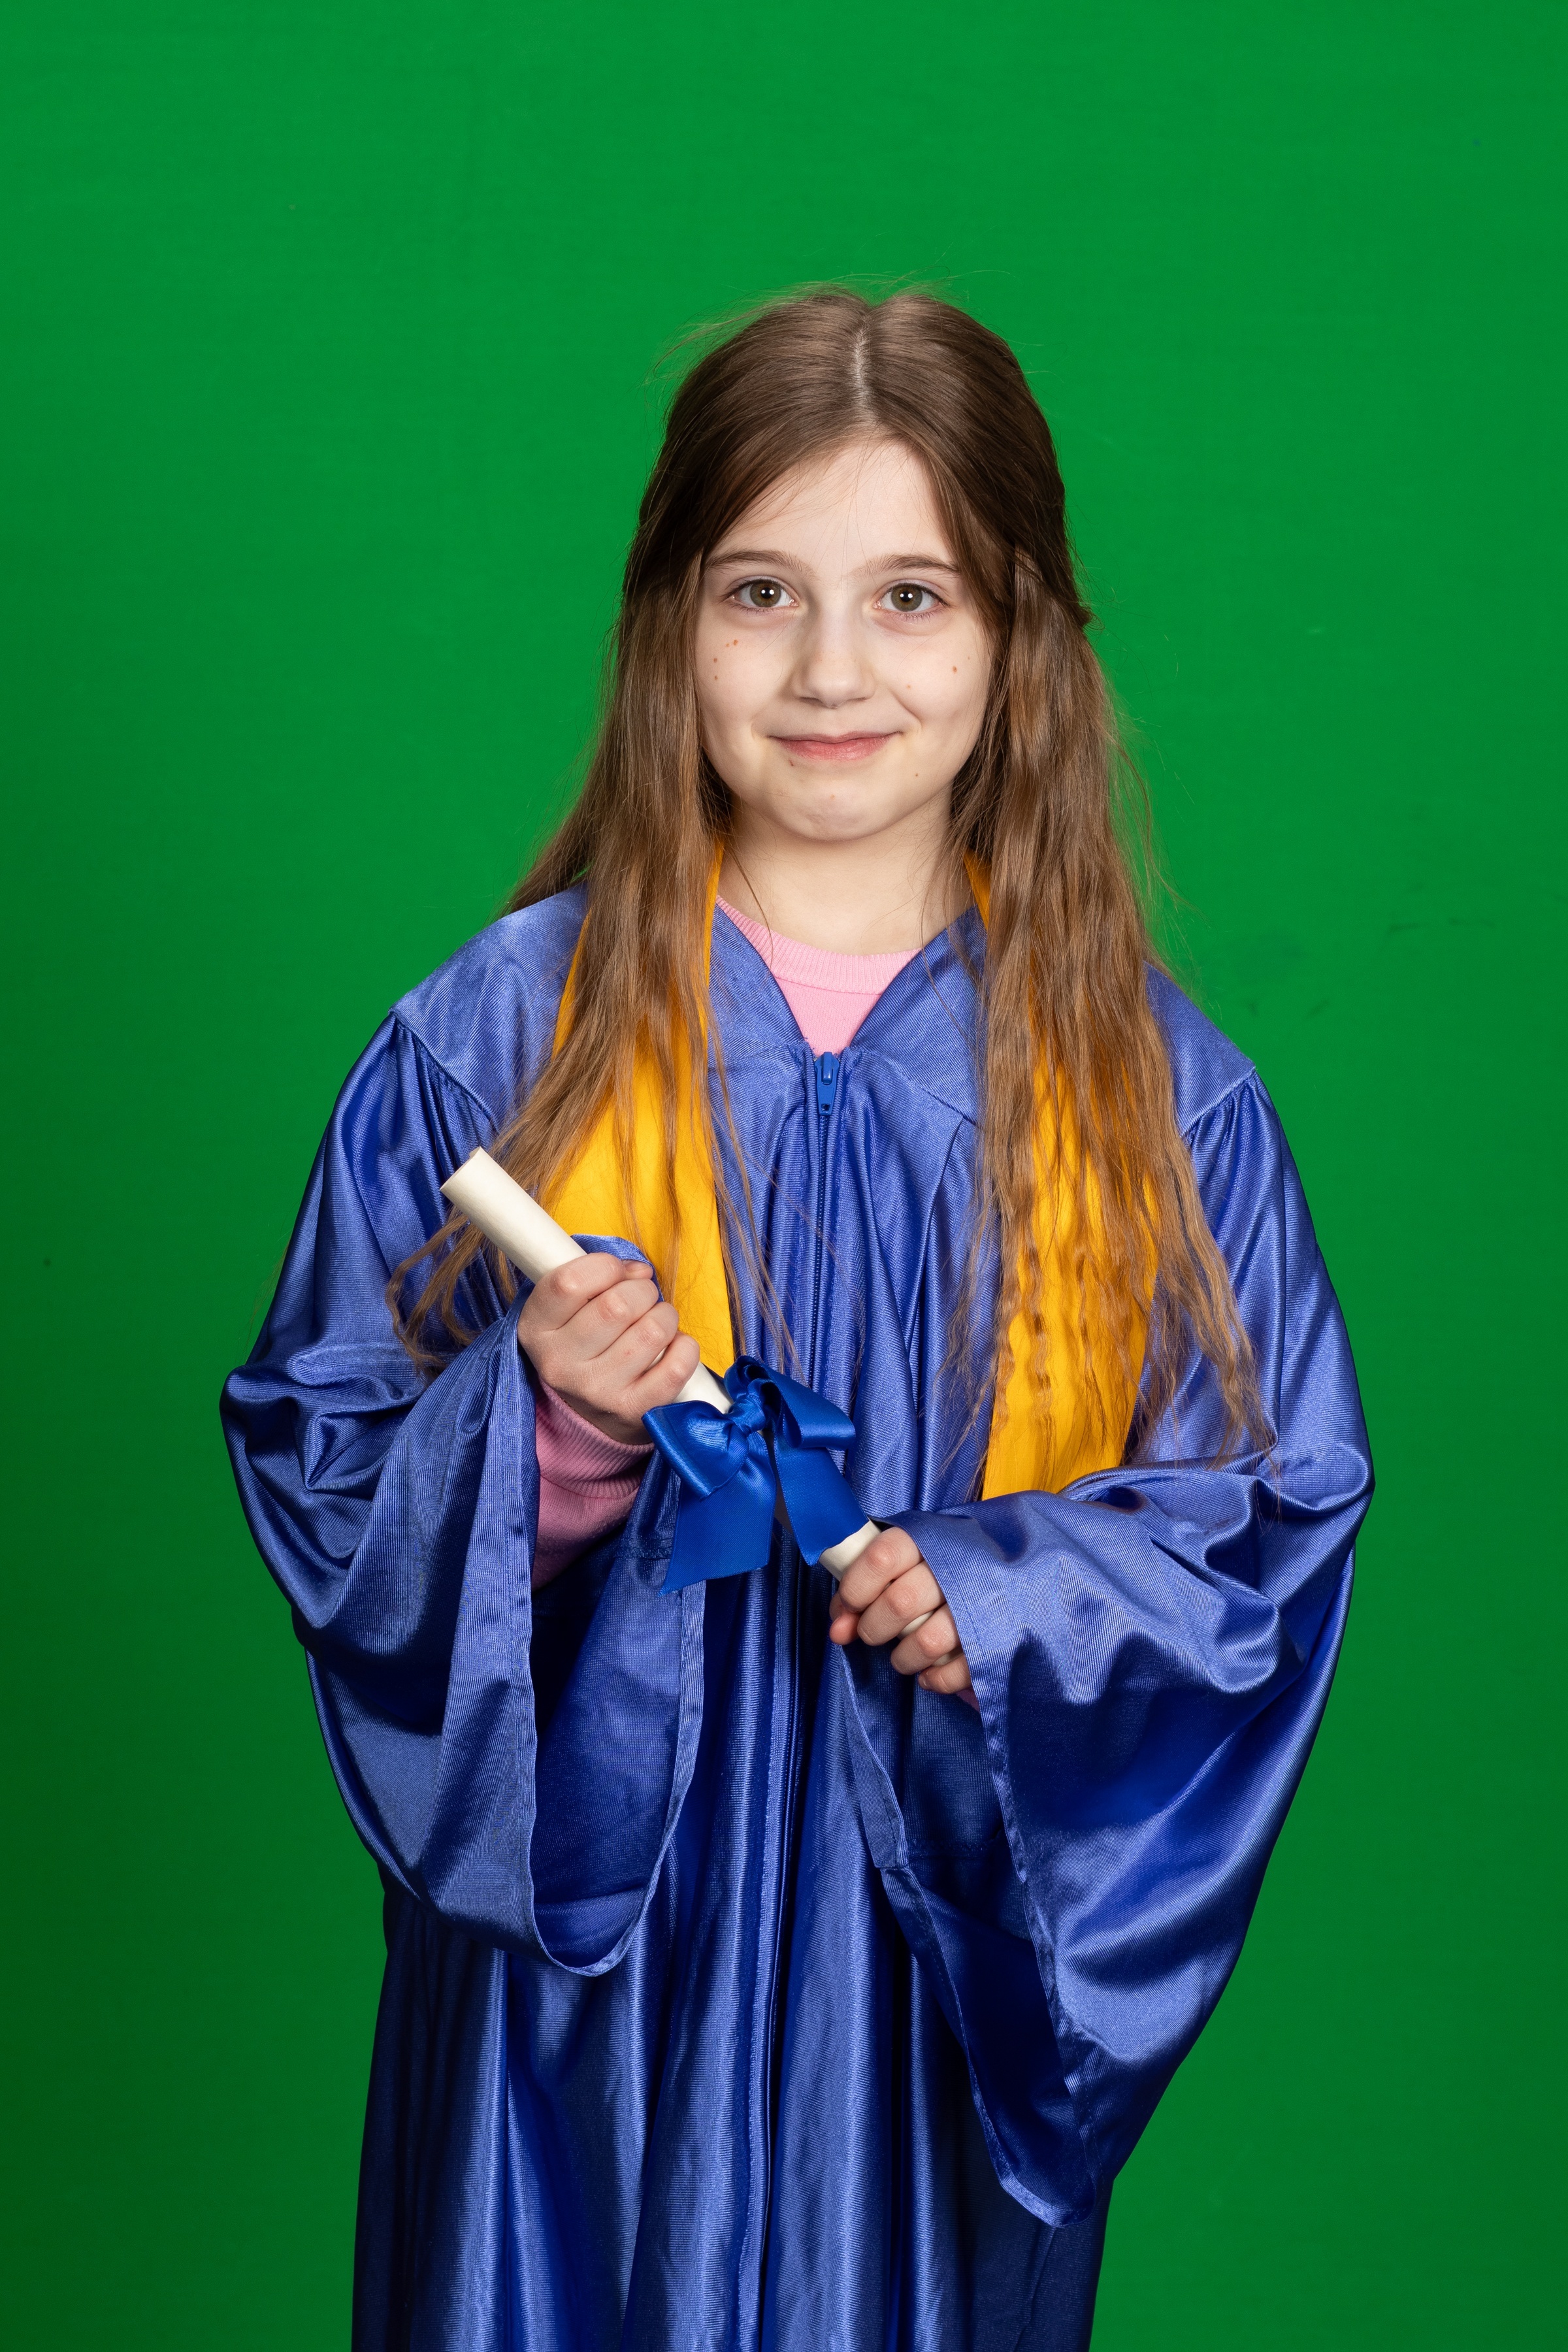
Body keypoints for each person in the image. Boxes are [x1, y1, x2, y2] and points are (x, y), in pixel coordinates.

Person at [221, 289, 1372, 2352]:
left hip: (913, 1980)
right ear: (669, 626)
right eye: (761, 593)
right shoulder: (498, 1043)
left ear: (1022, 641)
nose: (834, 669)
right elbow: (326, 1459)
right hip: (583, 1987)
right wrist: (547, 1433)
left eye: (912, 597)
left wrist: (1007, 1594)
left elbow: (1269, 1521)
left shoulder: (1150, 1101)